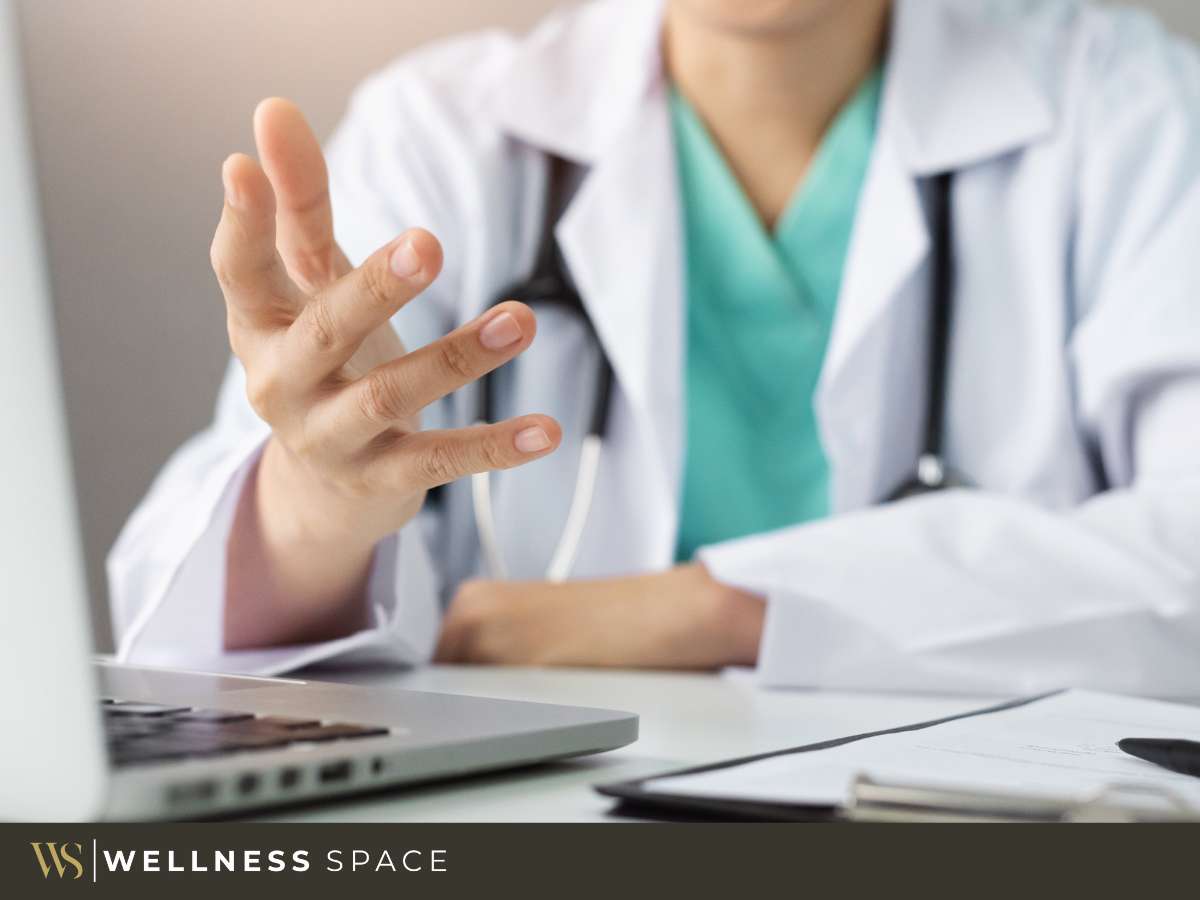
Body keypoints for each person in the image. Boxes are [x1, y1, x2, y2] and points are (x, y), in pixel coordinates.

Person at [109, 0, 1200, 694]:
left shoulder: (1131, 110)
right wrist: (317, 505)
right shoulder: (447, 133)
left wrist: (712, 608)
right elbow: (179, 628)